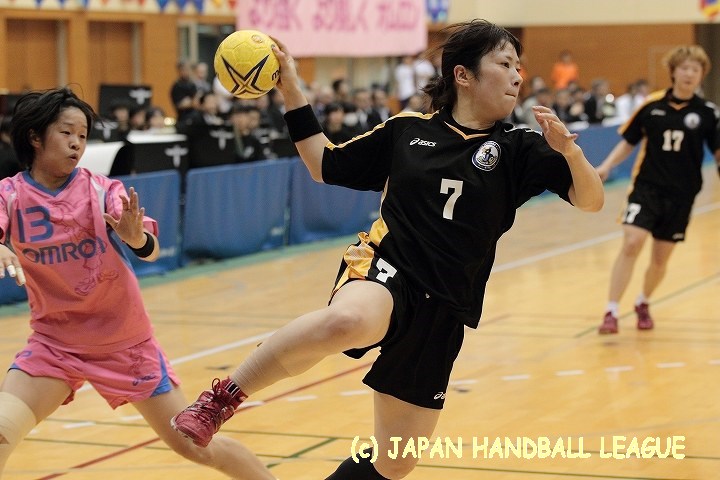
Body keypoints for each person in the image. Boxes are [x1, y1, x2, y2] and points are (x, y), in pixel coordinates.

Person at [171, 20, 603, 479]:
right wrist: (291, 88)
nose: (518, 76)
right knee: (349, 321)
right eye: (505, 63)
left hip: (444, 307)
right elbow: (323, 164)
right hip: (387, 266)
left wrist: (570, 153)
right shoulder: (406, 131)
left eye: (519, 66)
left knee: (395, 461)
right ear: (463, 74)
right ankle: (221, 399)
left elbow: (591, 201)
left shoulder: (521, 148)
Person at [0, 87, 274, 480]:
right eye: (67, 132)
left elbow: (150, 249)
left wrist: (135, 237)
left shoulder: (102, 190)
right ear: (35, 137)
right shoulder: (10, 195)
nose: (77, 143)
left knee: (195, 445)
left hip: (125, 344)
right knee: (2, 431)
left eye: (83, 135)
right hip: (54, 345)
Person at [595, 45, 720, 334]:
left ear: (702, 75)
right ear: (673, 71)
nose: (689, 74)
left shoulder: (708, 113)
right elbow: (629, 140)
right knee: (632, 242)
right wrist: (606, 166)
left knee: (660, 259)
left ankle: (643, 301)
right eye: (684, 68)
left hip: (682, 196)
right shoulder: (651, 106)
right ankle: (611, 311)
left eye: (696, 69)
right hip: (647, 188)